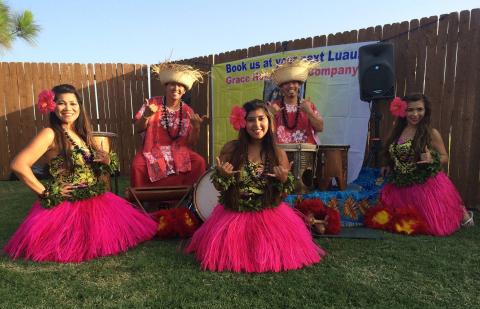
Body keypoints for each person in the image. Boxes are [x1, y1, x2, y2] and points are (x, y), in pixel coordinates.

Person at [4, 84, 157, 263]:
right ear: (52, 107)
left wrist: (105, 161)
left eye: (73, 103)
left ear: (79, 106)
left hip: (96, 200)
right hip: (69, 204)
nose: (68, 108)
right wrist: (46, 193)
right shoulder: (50, 133)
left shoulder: (79, 133)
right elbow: (19, 164)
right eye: (61, 103)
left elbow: (89, 168)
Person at [185, 99, 326, 272]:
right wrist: (223, 177)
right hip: (235, 212)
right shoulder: (231, 149)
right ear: (243, 122)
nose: (257, 124)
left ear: (269, 121)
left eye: (261, 118)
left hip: (268, 213)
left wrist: (283, 181)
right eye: (251, 119)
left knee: (268, 251)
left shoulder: (277, 153)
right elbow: (220, 188)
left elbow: (281, 196)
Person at [380, 93, 474, 236]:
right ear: (402, 111)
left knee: (431, 225)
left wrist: (432, 158)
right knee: (394, 221)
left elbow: (444, 157)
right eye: (410, 110)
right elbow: (394, 151)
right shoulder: (397, 130)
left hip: (425, 185)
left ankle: (460, 212)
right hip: (400, 185)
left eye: (419, 109)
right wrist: (388, 164)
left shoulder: (431, 133)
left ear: (426, 111)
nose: (415, 114)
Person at [131, 63, 207, 187]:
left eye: (181, 85)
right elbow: (138, 129)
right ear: (166, 86)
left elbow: (191, 143)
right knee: (137, 165)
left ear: (184, 90)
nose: (176, 88)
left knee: (199, 162)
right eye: (172, 84)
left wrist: (196, 127)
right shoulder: (152, 103)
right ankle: (142, 200)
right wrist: (146, 115)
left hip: (180, 151)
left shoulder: (188, 111)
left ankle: (191, 198)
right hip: (152, 150)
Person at [268, 59, 324, 144]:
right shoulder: (273, 107)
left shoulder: (308, 106)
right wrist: (270, 115)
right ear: (281, 87)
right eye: (286, 83)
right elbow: (264, 134)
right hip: (280, 153)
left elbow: (320, 128)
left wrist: (309, 112)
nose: (291, 86)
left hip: (305, 154)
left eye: (294, 82)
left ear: (299, 85)